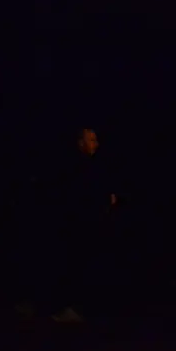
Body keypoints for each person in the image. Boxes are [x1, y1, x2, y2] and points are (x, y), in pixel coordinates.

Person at [44, 128, 117, 323]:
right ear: (80, 143)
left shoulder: (93, 168)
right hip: (80, 226)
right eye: (91, 140)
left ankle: (83, 308)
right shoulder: (76, 169)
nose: (96, 144)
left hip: (90, 226)